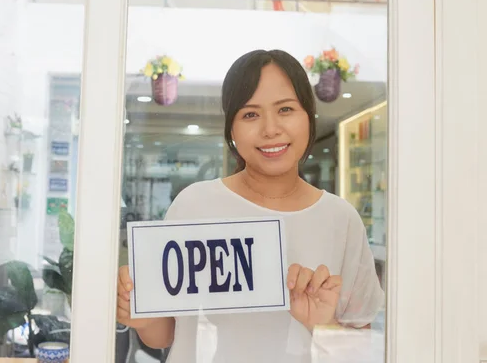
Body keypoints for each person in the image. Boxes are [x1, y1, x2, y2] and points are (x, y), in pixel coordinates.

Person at [116, 49, 384, 362]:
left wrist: (320, 323)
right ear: (231, 128)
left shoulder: (341, 219)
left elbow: (360, 342)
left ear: (308, 116)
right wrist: (139, 313)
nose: (271, 129)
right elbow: (166, 334)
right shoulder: (194, 205)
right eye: (250, 114)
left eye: (285, 109)